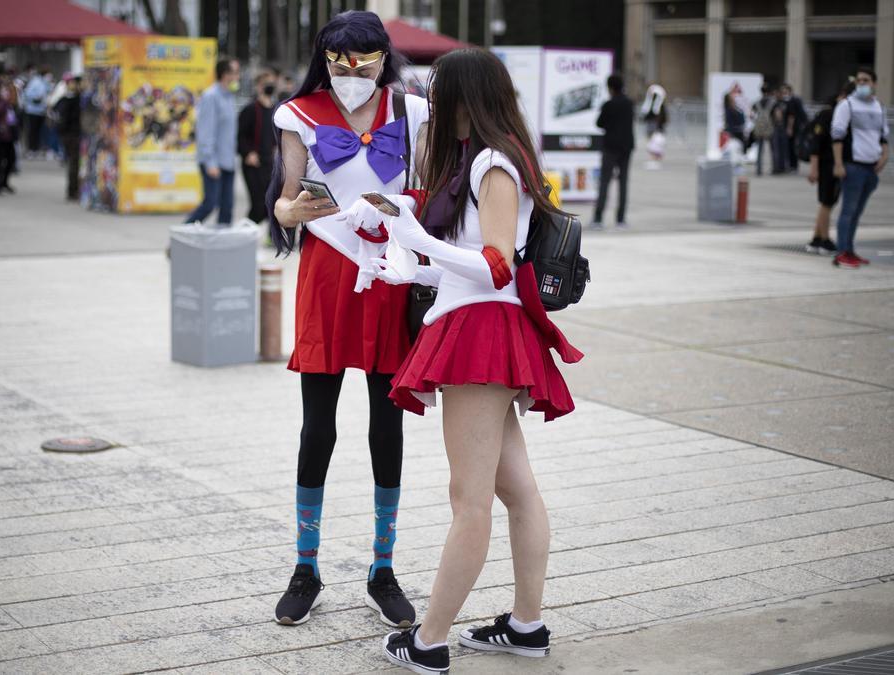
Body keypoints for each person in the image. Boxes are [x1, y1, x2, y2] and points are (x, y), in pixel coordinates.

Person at [352, 48, 580, 674]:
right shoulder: (490, 158)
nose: (433, 105)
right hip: (483, 328)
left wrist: (420, 241)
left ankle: (428, 642)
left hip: (481, 335)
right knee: (513, 488)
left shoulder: (492, 161)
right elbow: (474, 264)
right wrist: (406, 262)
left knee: (470, 499)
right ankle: (526, 626)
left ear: (464, 98)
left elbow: (496, 263)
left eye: (440, 92)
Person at [266, 10, 430, 629]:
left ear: (385, 58)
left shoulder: (414, 112)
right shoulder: (298, 114)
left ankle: (382, 569)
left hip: (390, 277)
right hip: (327, 276)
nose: (353, 71)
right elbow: (282, 206)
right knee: (319, 429)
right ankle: (305, 568)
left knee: (387, 427)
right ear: (325, 57)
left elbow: (432, 188)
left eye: (365, 58)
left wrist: (402, 209)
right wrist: (295, 210)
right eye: (340, 58)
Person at [830, 67, 889, 269]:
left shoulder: (878, 107)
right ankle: (842, 253)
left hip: (871, 168)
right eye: (859, 80)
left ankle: (850, 250)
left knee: (857, 212)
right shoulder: (847, 105)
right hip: (853, 166)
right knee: (848, 210)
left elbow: (884, 135)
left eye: (866, 80)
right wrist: (838, 163)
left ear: (874, 83)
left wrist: (884, 156)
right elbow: (837, 135)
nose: (862, 84)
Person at [185, 58, 241, 226]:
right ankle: (180, 237)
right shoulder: (211, 97)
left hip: (228, 161)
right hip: (214, 162)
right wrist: (210, 162)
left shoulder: (229, 97)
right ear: (226, 75)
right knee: (210, 204)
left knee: (227, 208)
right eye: (236, 73)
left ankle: (223, 248)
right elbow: (205, 132)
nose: (238, 77)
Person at [805, 82, 854, 255]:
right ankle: (824, 240)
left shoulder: (833, 114)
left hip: (828, 164)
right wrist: (814, 168)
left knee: (827, 203)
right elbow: (816, 144)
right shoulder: (829, 114)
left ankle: (817, 238)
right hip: (828, 165)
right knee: (827, 202)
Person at [591, 73, 634, 228]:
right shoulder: (629, 103)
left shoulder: (608, 104)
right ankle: (621, 218)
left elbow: (599, 123)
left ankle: (598, 218)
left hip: (610, 147)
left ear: (610, 87)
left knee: (605, 182)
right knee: (623, 182)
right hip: (626, 147)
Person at [237, 69, 277, 223]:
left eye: (271, 83)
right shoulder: (250, 109)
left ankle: (270, 238)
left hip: (269, 163)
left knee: (270, 203)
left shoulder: (275, 109)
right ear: (258, 86)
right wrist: (248, 153)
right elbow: (241, 136)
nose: (269, 86)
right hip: (253, 163)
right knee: (258, 205)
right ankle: (243, 235)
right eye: (266, 83)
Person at [53, 75, 83, 201]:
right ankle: (73, 191)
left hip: (70, 134)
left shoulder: (70, 99)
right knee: (74, 163)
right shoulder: (71, 99)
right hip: (72, 134)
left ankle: (74, 190)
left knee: (74, 163)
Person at [22, 66, 51, 157]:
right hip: (33, 111)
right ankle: (31, 149)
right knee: (32, 131)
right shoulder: (35, 82)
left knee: (40, 131)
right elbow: (27, 94)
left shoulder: (45, 82)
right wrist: (35, 98)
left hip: (41, 111)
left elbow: (48, 92)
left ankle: (38, 148)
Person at [780, 83, 807, 173]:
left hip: (794, 128)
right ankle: (792, 165)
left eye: (785, 92)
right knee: (790, 147)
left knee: (792, 147)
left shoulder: (793, 101)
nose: (784, 94)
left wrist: (789, 128)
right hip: (794, 127)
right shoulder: (792, 100)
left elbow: (792, 116)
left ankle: (793, 166)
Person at [751, 84, 776, 175]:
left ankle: (759, 169)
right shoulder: (773, 102)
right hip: (769, 127)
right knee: (772, 148)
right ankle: (774, 168)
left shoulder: (757, 102)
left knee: (760, 149)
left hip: (759, 128)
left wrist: (756, 121)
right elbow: (777, 116)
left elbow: (751, 115)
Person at [640, 83, 667, 170]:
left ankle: (655, 159)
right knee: (652, 143)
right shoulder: (651, 103)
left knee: (654, 143)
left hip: (655, 127)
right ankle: (654, 159)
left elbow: (658, 115)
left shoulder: (658, 105)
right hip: (653, 126)